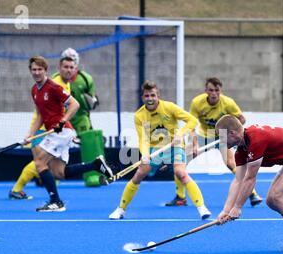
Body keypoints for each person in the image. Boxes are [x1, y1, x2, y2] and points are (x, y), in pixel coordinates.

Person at [215, 115, 283, 253]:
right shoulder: (241, 151)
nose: (221, 141)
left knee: (277, 197)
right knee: (271, 201)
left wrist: (237, 207)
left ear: (232, 133)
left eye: (222, 137)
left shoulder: (255, 139)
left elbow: (249, 179)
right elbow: (238, 180)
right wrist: (226, 210)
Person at [109, 80, 212, 220]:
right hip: (154, 148)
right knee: (139, 174)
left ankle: (202, 208)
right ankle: (120, 210)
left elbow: (192, 120)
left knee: (181, 172)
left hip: (175, 145)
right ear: (142, 97)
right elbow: (143, 139)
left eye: (153, 95)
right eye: (147, 96)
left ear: (158, 96)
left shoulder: (169, 107)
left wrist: (180, 134)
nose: (150, 99)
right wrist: (145, 154)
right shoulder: (139, 116)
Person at [26, 55, 113, 212]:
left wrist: (62, 121)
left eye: (40, 69)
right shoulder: (34, 90)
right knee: (60, 173)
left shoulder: (53, 87)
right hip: (53, 133)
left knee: (39, 162)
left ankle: (56, 202)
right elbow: (40, 115)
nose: (37, 72)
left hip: (62, 131)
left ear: (45, 71)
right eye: (34, 69)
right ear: (30, 71)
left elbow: (75, 104)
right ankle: (96, 165)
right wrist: (30, 135)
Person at [165, 77, 263, 207]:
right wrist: (195, 144)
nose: (214, 93)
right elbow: (192, 125)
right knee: (181, 160)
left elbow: (241, 120)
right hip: (204, 135)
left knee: (231, 163)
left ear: (221, 91)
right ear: (206, 90)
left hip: (222, 135)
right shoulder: (197, 103)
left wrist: (235, 123)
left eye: (217, 90)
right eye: (211, 90)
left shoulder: (228, 103)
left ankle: (252, 194)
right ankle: (180, 198)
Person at [9, 56, 77, 200]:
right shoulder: (53, 85)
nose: (69, 71)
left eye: (71, 68)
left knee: (42, 163)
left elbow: (69, 107)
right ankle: (19, 189)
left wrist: (64, 124)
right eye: (66, 67)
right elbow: (41, 113)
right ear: (59, 69)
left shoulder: (63, 84)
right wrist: (30, 133)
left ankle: (50, 196)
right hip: (43, 129)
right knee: (40, 162)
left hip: (53, 129)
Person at [59, 48, 105, 187]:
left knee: (89, 141)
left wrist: (93, 101)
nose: (68, 70)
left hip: (80, 117)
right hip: (63, 118)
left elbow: (94, 100)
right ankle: (53, 175)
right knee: (55, 144)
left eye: (71, 65)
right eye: (65, 66)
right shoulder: (55, 79)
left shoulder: (86, 78)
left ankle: (94, 176)